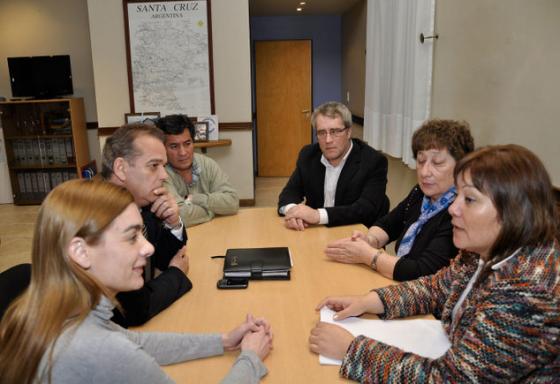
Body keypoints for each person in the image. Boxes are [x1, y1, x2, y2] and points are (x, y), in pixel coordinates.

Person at [309, 145, 560, 382]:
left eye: (469, 199)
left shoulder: (528, 291)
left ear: (512, 213)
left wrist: (353, 350)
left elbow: (449, 379)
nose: (453, 208)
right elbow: (437, 288)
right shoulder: (483, 249)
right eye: (458, 195)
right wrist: (369, 301)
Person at [0, 180, 272, 384]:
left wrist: (223, 340)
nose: (148, 248)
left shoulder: (49, 311)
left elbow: (133, 341)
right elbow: (120, 348)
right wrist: (250, 358)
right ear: (81, 252)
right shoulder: (98, 348)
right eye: (131, 237)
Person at [325, 119, 474, 281]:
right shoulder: (420, 193)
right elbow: (389, 224)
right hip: (399, 285)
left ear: (461, 166)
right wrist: (369, 240)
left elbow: (423, 272)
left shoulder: (459, 212)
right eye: (421, 160)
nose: (424, 172)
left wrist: (368, 256)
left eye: (437, 163)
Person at [101, 123, 191, 327]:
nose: (164, 175)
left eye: (164, 166)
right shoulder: (102, 219)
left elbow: (165, 259)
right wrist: (176, 274)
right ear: (121, 168)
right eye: (153, 166)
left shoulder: (143, 203)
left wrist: (173, 223)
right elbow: (135, 309)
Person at [278, 101, 389, 230]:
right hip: (315, 232)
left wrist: (317, 215)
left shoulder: (373, 161)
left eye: (335, 132)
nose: (328, 140)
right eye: (322, 133)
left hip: (355, 235)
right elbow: (289, 193)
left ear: (348, 132)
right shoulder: (308, 155)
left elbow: (366, 208)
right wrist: (294, 212)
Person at [155, 114, 240, 227]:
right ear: (162, 148)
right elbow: (181, 216)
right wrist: (213, 210)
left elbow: (232, 202)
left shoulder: (207, 164)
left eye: (187, 144)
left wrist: (195, 198)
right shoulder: (160, 173)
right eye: (174, 146)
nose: (183, 153)